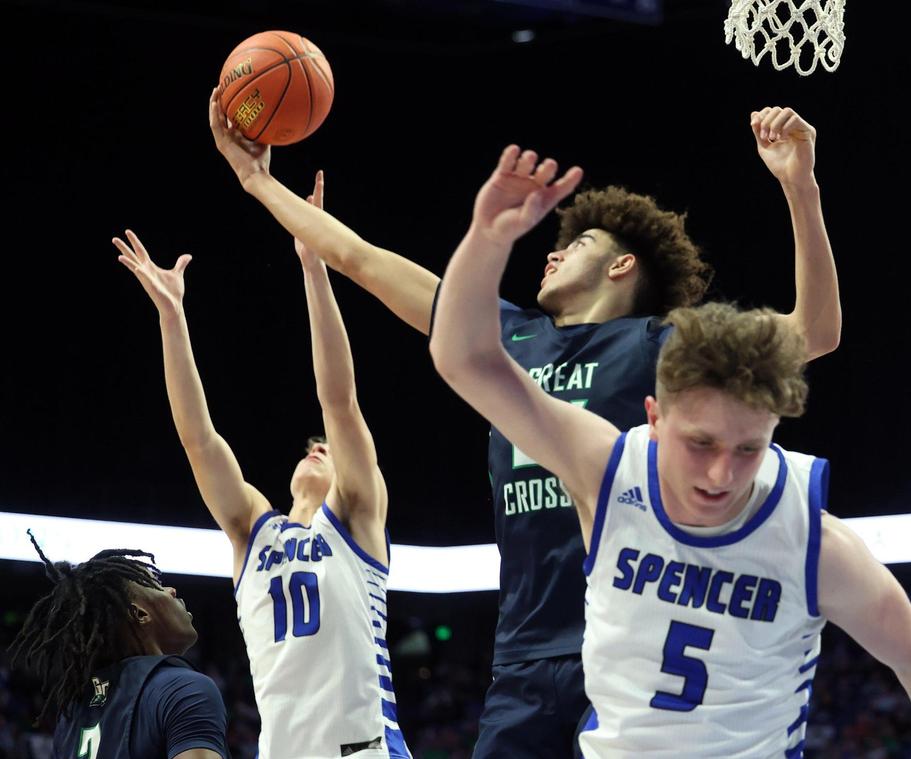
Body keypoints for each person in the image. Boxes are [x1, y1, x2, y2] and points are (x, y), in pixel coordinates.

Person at [211, 90, 840, 755]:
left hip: (627, 648)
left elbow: (815, 332)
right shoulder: (506, 338)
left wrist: (801, 188)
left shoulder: (667, 346)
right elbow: (360, 258)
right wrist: (256, 180)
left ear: (622, 265)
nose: (549, 255)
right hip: (524, 655)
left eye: (576, 245)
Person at [428, 146, 911, 757]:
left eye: (749, 448)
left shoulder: (810, 540)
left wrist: (803, 187)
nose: (723, 473)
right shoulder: (606, 470)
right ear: (654, 418)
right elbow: (465, 358)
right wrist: (486, 239)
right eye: (701, 444)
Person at [114, 176, 411, 758]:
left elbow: (339, 398)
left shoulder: (356, 518)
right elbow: (199, 441)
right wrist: (172, 320)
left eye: (326, 448)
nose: (317, 448)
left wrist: (313, 265)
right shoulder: (255, 529)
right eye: (310, 446)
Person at [10, 533, 228, 759]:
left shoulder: (73, 715)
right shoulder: (182, 688)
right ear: (140, 614)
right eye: (157, 585)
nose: (172, 591)